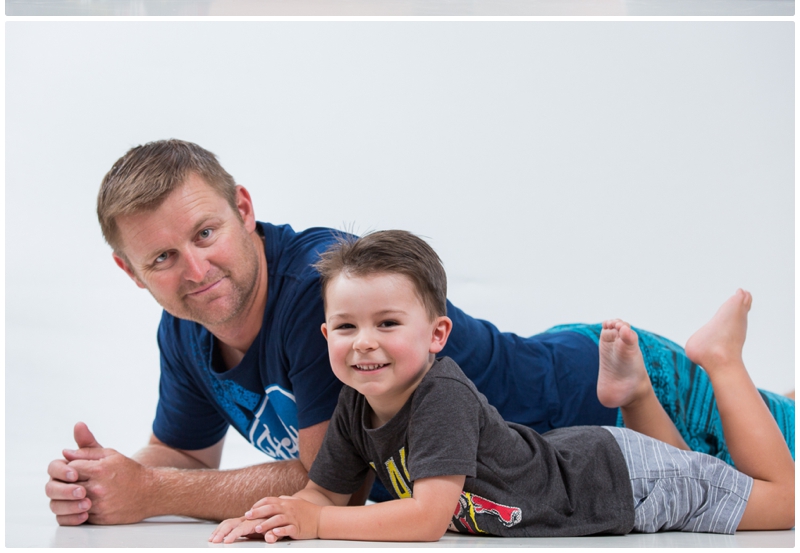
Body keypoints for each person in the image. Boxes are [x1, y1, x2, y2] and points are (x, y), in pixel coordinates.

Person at [44, 142, 794, 528]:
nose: (195, 267)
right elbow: (179, 455)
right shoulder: (185, 325)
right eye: (163, 257)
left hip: (608, 402)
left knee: (781, 483)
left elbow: (338, 482)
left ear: (243, 206)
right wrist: (106, 482)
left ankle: (720, 366)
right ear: (130, 270)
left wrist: (153, 493)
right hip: (581, 434)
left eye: (205, 231)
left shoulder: (318, 295)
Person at [211, 232, 795, 543]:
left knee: (782, 503)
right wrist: (281, 515)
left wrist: (317, 523)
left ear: (438, 333)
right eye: (345, 327)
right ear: (325, 334)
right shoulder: (353, 406)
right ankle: (636, 396)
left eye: (387, 324)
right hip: (600, 463)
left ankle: (720, 361)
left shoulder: (441, 393)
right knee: (694, 471)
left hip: (617, 483)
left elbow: (424, 520)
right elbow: (326, 498)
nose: (364, 342)